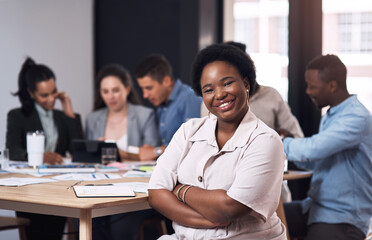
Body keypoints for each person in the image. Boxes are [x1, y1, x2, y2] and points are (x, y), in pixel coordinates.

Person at [148, 44, 287, 239]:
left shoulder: (266, 141)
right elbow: (156, 193)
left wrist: (180, 189)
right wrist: (209, 221)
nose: (220, 94)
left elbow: (230, 207)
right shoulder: (189, 131)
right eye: (208, 89)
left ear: (246, 84)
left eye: (227, 83)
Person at [282, 54, 372, 240]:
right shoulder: (331, 115)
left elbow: (313, 149)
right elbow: (317, 160)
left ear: (332, 85)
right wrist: (292, 146)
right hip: (315, 207)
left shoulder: (356, 117)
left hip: (342, 218)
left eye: (312, 86)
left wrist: (278, 143)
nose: (307, 91)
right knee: (261, 218)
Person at [6, 57, 83, 240]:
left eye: (53, 92)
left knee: (55, 235)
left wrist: (70, 114)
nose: (51, 99)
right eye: (44, 95)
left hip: (57, 187)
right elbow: (13, 150)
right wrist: (40, 157)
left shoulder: (62, 116)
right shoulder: (18, 116)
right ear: (31, 93)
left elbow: (78, 152)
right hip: (29, 190)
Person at [133, 54, 202, 160]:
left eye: (149, 88)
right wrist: (152, 149)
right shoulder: (161, 102)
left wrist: (156, 151)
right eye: (142, 89)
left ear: (166, 81)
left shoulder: (190, 99)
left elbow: (194, 143)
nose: (144, 95)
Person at [86, 64, 161, 159]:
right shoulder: (92, 119)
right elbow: (87, 155)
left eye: (116, 90)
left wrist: (119, 153)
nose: (111, 97)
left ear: (127, 89)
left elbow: (151, 154)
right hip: (102, 173)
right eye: (105, 91)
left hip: (134, 173)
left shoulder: (145, 115)